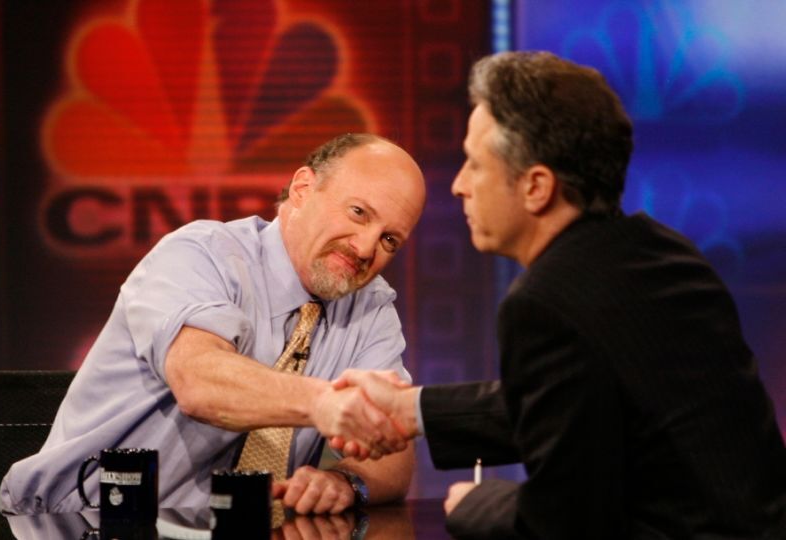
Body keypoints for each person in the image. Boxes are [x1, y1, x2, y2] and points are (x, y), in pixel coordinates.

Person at [333, 51, 786, 538]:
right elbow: (577, 406)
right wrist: (412, 410)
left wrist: (478, 504)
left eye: (475, 165)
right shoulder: (664, 255)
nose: (460, 185)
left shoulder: (545, 303)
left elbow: (562, 522)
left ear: (536, 187)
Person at [0, 133, 425, 516]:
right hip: (75, 519)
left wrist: (345, 482)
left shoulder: (371, 307)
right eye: (358, 213)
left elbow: (393, 455)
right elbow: (199, 382)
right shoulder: (201, 254)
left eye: (390, 239)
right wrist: (324, 403)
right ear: (302, 189)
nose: (365, 248)